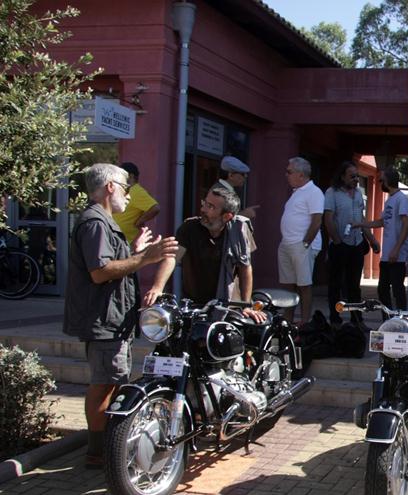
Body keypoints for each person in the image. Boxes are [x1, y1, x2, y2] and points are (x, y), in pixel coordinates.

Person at [63, 163, 178, 468]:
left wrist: (134, 251)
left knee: (113, 381)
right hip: (104, 320)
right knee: (104, 384)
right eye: (127, 188)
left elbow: (110, 262)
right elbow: (100, 272)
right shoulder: (95, 223)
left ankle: (104, 448)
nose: (129, 195)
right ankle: (98, 453)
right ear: (110, 187)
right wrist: (144, 258)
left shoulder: (105, 222)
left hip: (113, 318)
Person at [145, 184, 261, 317]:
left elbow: (245, 267)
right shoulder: (189, 228)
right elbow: (171, 257)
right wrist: (157, 287)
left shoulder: (238, 232)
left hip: (230, 305)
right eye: (204, 203)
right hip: (194, 305)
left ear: (227, 216)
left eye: (210, 207)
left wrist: (246, 305)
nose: (203, 209)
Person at [325, 160, 379, 326]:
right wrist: (337, 241)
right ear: (342, 177)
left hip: (356, 243)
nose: (356, 179)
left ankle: (357, 319)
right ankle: (335, 319)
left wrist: (372, 240)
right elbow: (328, 219)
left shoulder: (358, 194)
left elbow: (361, 219)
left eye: (357, 176)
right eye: (352, 176)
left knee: (354, 286)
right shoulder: (332, 193)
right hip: (339, 244)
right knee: (335, 285)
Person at [278, 157, 325, 324]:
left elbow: (317, 220)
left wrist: (305, 243)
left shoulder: (314, 192)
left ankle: (305, 322)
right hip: (287, 244)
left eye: (289, 172)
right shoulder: (297, 192)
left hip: (301, 245)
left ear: (300, 174)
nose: (286, 175)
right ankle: (288, 320)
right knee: (288, 285)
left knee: (304, 285)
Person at [357, 167, 408, 310]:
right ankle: (387, 317)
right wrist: (361, 224)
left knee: (398, 290)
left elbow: (406, 224)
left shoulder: (401, 199)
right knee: (382, 290)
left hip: (397, 256)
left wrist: (396, 249)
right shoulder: (389, 200)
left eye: (382, 180)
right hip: (386, 255)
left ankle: (402, 317)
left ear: (387, 181)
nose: (381, 183)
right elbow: (382, 222)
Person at [114, 162, 160, 244]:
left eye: (121, 174)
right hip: (118, 238)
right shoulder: (127, 190)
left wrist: (140, 221)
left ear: (131, 176)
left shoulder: (137, 191)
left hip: (128, 241)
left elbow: (155, 208)